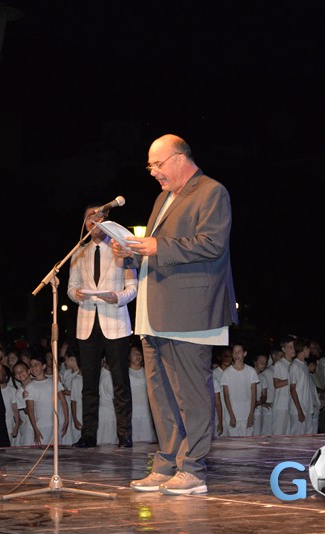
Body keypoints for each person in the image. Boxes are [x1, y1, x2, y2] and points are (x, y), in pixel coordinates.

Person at [114, 134, 238, 496]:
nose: (153, 172)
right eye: (150, 166)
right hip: (155, 311)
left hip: (191, 311)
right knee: (161, 393)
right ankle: (166, 463)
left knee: (190, 393)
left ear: (180, 158)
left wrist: (157, 246)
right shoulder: (163, 198)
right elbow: (159, 250)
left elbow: (212, 243)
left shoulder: (212, 192)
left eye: (158, 164)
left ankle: (193, 469)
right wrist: (134, 251)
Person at [68, 202, 138, 450]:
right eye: (90, 216)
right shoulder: (79, 252)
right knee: (89, 383)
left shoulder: (120, 248)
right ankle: (88, 435)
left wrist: (116, 297)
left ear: (106, 220)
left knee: (120, 381)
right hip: (87, 321)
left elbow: (133, 288)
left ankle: (124, 435)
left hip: (115, 321)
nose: (94, 220)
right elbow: (71, 288)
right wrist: (77, 294)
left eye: (99, 216)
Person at [221, 343, 259, 437]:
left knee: (248, 442)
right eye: (234, 352)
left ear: (244, 353)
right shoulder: (227, 373)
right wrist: (231, 416)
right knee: (234, 443)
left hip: (247, 414)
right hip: (233, 414)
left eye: (239, 352)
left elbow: (254, 395)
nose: (236, 354)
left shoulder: (251, 371)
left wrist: (251, 415)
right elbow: (226, 396)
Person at [288, 337, 319, 435]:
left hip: (308, 408)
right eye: (309, 348)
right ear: (303, 349)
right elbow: (293, 390)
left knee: (307, 437)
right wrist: (299, 411)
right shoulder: (294, 366)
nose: (310, 351)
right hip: (299, 410)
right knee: (298, 439)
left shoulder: (304, 365)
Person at [128, 344, 156, 443]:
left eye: (139, 353)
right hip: (132, 412)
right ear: (129, 356)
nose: (137, 355)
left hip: (145, 411)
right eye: (134, 353)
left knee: (146, 441)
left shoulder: (147, 372)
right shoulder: (126, 373)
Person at [271, 335, 297, 436]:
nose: (293, 350)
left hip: (291, 405)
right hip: (281, 406)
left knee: (290, 435)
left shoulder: (295, 364)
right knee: (279, 434)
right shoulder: (280, 364)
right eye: (290, 347)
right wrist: (292, 380)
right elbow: (276, 384)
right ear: (283, 349)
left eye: (294, 347)